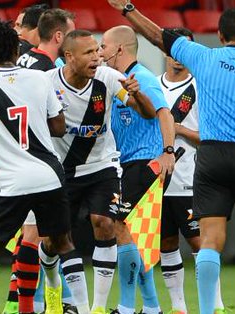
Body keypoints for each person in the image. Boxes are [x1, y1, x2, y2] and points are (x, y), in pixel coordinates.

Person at [104, 2, 235, 314]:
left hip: (211, 157)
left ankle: (206, 310)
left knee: (210, 240)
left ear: (219, 34)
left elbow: (158, 36)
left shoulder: (204, 57)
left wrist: (128, 9)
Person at [0, 19, 89, 314]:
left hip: (12, 182)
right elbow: (58, 127)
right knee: (63, 243)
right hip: (49, 176)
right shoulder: (40, 79)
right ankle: (86, 309)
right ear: (16, 49)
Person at [47, 29, 155, 314]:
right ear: (69, 57)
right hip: (63, 170)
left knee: (105, 223)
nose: (96, 57)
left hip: (102, 165)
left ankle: (94, 308)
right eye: (88, 53)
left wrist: (137, 94)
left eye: (97, 51)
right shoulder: (48, 83)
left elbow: (148, 112)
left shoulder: (107, 78)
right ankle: (52, 282)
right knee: (53, 241)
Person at [99, 25, 175, 314]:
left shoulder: (141, 77)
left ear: (119, 48)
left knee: (122, 229)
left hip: (144, 163)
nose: (100, 51)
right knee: (134, 237)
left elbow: (164, 113)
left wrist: (167, 152)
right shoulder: (117, 80)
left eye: (104, 45)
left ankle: (127, 307)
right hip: (130, 164)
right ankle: (153, 307)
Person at [155, 27, 226, 314]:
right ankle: (178, 306)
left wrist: (178, 129)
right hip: (160, 178)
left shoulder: (201, 87)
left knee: (200, 242)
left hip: (192, 178)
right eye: (173, 50)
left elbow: (211, 134)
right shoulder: (153, 86)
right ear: (165, 51)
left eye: (184, 50)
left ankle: (216, 304)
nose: (177, 58)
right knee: (167, 242)